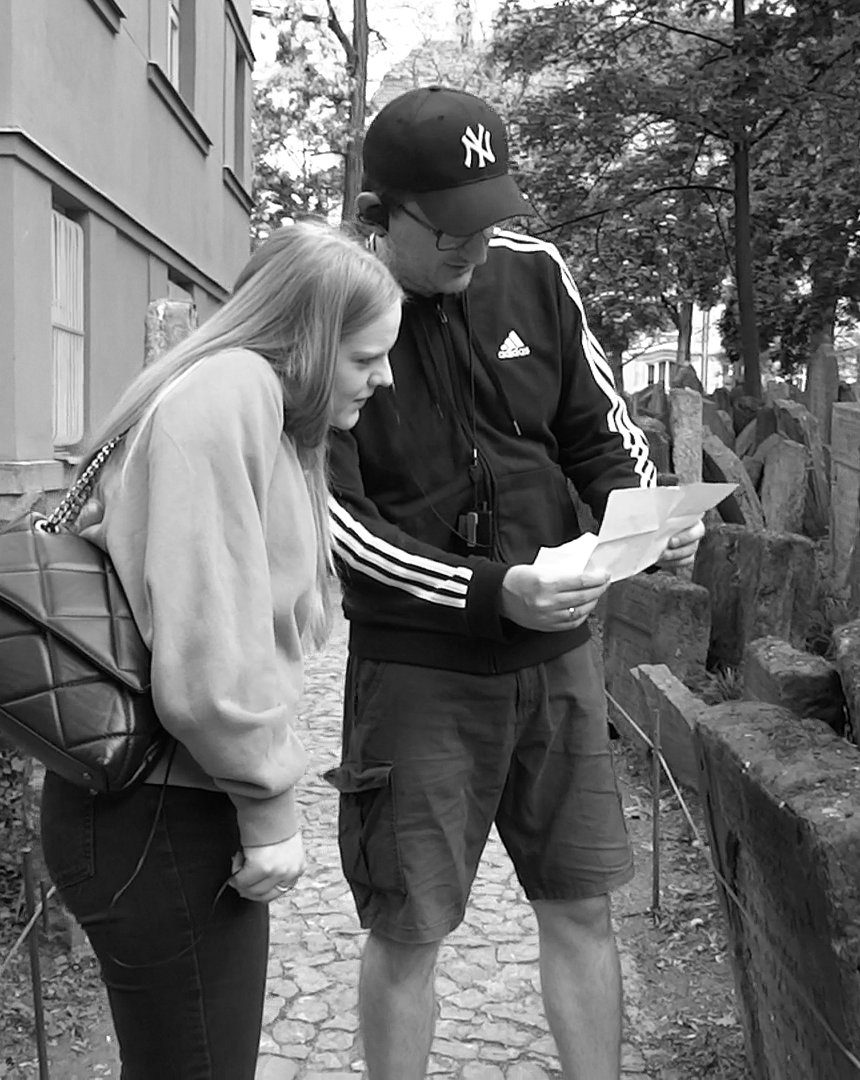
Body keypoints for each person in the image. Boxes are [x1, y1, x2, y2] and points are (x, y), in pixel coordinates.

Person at [326, 86, 704, 1079]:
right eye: (452, 228)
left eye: (490, 218)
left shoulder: (534, 271)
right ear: (381, 215)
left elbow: (601, 428)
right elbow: (338, 524)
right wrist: (491, 593)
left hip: (558, 658)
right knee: (409, 931)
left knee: (582, 906)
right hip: (419, 673)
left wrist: (645, 520)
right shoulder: (329, 309)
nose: (478, 246)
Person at [40, 222, 401, 1079]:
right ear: (308, 342)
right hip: (162, 813)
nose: (385, 377)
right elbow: (208, 647)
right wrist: (269, 810)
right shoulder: (230, 393)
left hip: (155, 804)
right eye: (365, 357)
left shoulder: (245, 400)